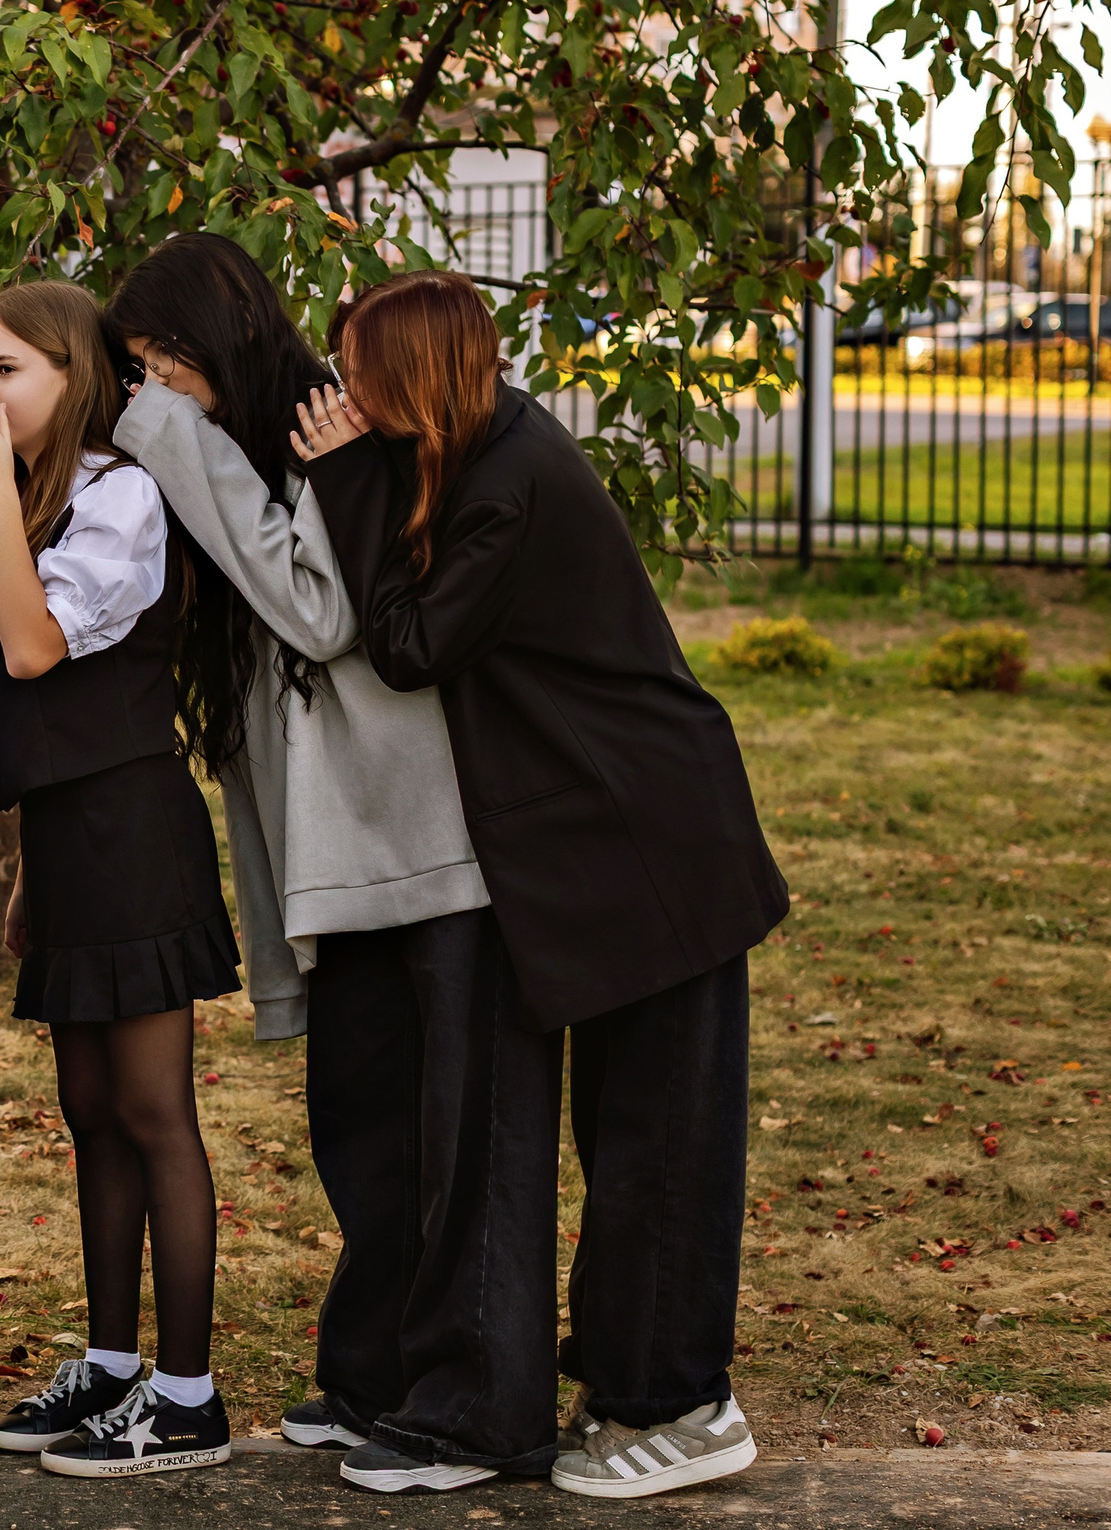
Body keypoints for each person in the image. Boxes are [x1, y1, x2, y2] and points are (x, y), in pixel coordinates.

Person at [295, 269, 786, 1501]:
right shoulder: (481, 452)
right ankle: (631, 1388)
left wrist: (344, 480)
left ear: (415, 376)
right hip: (611, 839)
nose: (343, 392)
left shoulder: (506, 484)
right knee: (628, 1131)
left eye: (360, 372)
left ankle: (682, 1405)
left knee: (658, 1142)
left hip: (654, 841)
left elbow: (408, 645)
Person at [105, 237, 544, 1495]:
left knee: (456, 1140)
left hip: (425, 842)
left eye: (162, 363)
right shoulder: (257, 446)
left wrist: (174, 440)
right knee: (364, 1125)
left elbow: (320, 609)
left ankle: (476, 1408)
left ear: (219, 339)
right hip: (342, 857)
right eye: (136, 371)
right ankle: (376, 1372)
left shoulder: (328, 426)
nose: (151, 391)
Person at [0, 281, 240, 1479]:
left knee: (155, 1115)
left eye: (7, 368)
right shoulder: (36, 501)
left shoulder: (119, 496)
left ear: (73, 374)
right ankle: (112, 1367)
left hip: (133, 832)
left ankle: (189, 1396)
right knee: (91, 1115)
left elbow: (32, 648)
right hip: (67, 839)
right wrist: (25, 871)